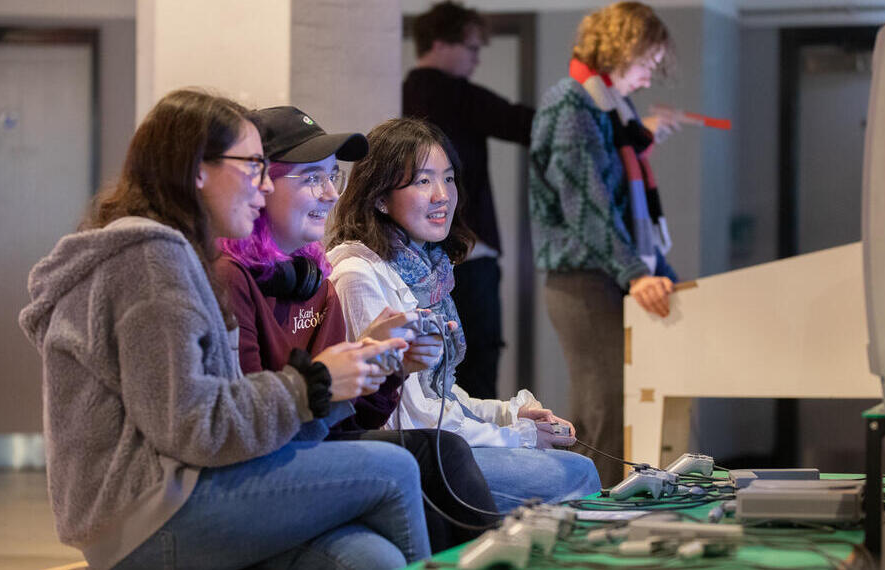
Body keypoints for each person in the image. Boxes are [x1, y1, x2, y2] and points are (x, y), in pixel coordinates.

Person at [19, 89, 430, 569]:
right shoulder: (154, 259)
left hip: (178, 495)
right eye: (254, 166)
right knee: (397, 467)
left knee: (368, 557)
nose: (264, 186)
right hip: (148, 514)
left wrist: (340, 383)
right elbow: (193, 427)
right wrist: (314, 385)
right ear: (197, 168)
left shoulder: (176, 256)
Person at [216, 105, 499, 552]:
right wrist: (326, 382)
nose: (330, 192)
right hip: (258, 470)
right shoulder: (232, 280)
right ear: (260, 185)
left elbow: (354, 420)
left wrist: (389, 366)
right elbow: (248, 426)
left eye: (334, 176)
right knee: (423, 464)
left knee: (438, 454)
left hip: (312, 446)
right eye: (312, 177)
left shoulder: (314, 279)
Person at [325, 117, 601, 512]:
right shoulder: (359, 274)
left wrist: (507, 414)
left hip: (436, 442)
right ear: (380, 197)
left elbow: (437, 394)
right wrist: (519, 435)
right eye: (422, 181)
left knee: (576, 467)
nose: (442, 195)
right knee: (576, 475)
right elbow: (412, 416)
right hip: (403, 455)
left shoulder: (426, 268)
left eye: (448, 178)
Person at [529, 1, 681, 485]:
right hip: (582, 281)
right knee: (605, 410)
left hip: (606, 275)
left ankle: (616, 515)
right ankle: (593, 530)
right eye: (648, 63)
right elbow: (587, 209)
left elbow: (613, 193)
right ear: (623, 48)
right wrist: (637, 273)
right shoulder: (570, 103)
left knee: (619, 407)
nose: (650, 76)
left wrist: (663, 276)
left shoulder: (610, 107)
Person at [404, 1, 535, 399]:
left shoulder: (407, 92)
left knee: (439, 368)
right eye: (472, 48)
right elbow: (526, 124)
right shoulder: (454, 93)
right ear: (441, 43)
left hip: (423, 252)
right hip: (468, 250)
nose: (477, 59)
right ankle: (481, 456)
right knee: (477, 361)